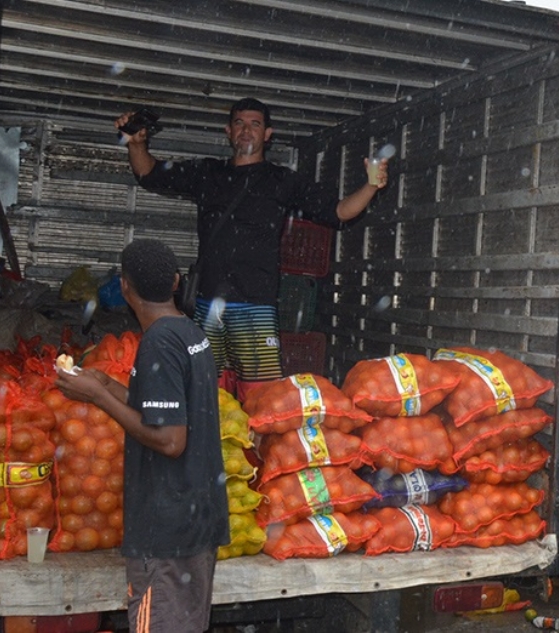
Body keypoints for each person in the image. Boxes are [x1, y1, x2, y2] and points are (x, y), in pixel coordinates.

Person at [115, 98, 389, 398]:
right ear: (228, 132)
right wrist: (136, 143)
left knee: (261, 397)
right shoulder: (208, 173)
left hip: (256, 305)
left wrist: (371, 186)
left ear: (267, 134)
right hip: (208, 305)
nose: (246, 130)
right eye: (239, 123)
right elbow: (150, 174)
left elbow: (339, 212)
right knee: (204, 393)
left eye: (255, 124)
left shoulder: (282, 180)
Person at [55, 239, 229, 633]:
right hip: (196, 520)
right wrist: (103, 383)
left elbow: (170, 439)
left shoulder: (159, 343)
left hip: (166, 531)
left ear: (125, 287)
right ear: (175, 282)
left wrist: (97, 395)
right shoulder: (189, 333)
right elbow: (164, 407)